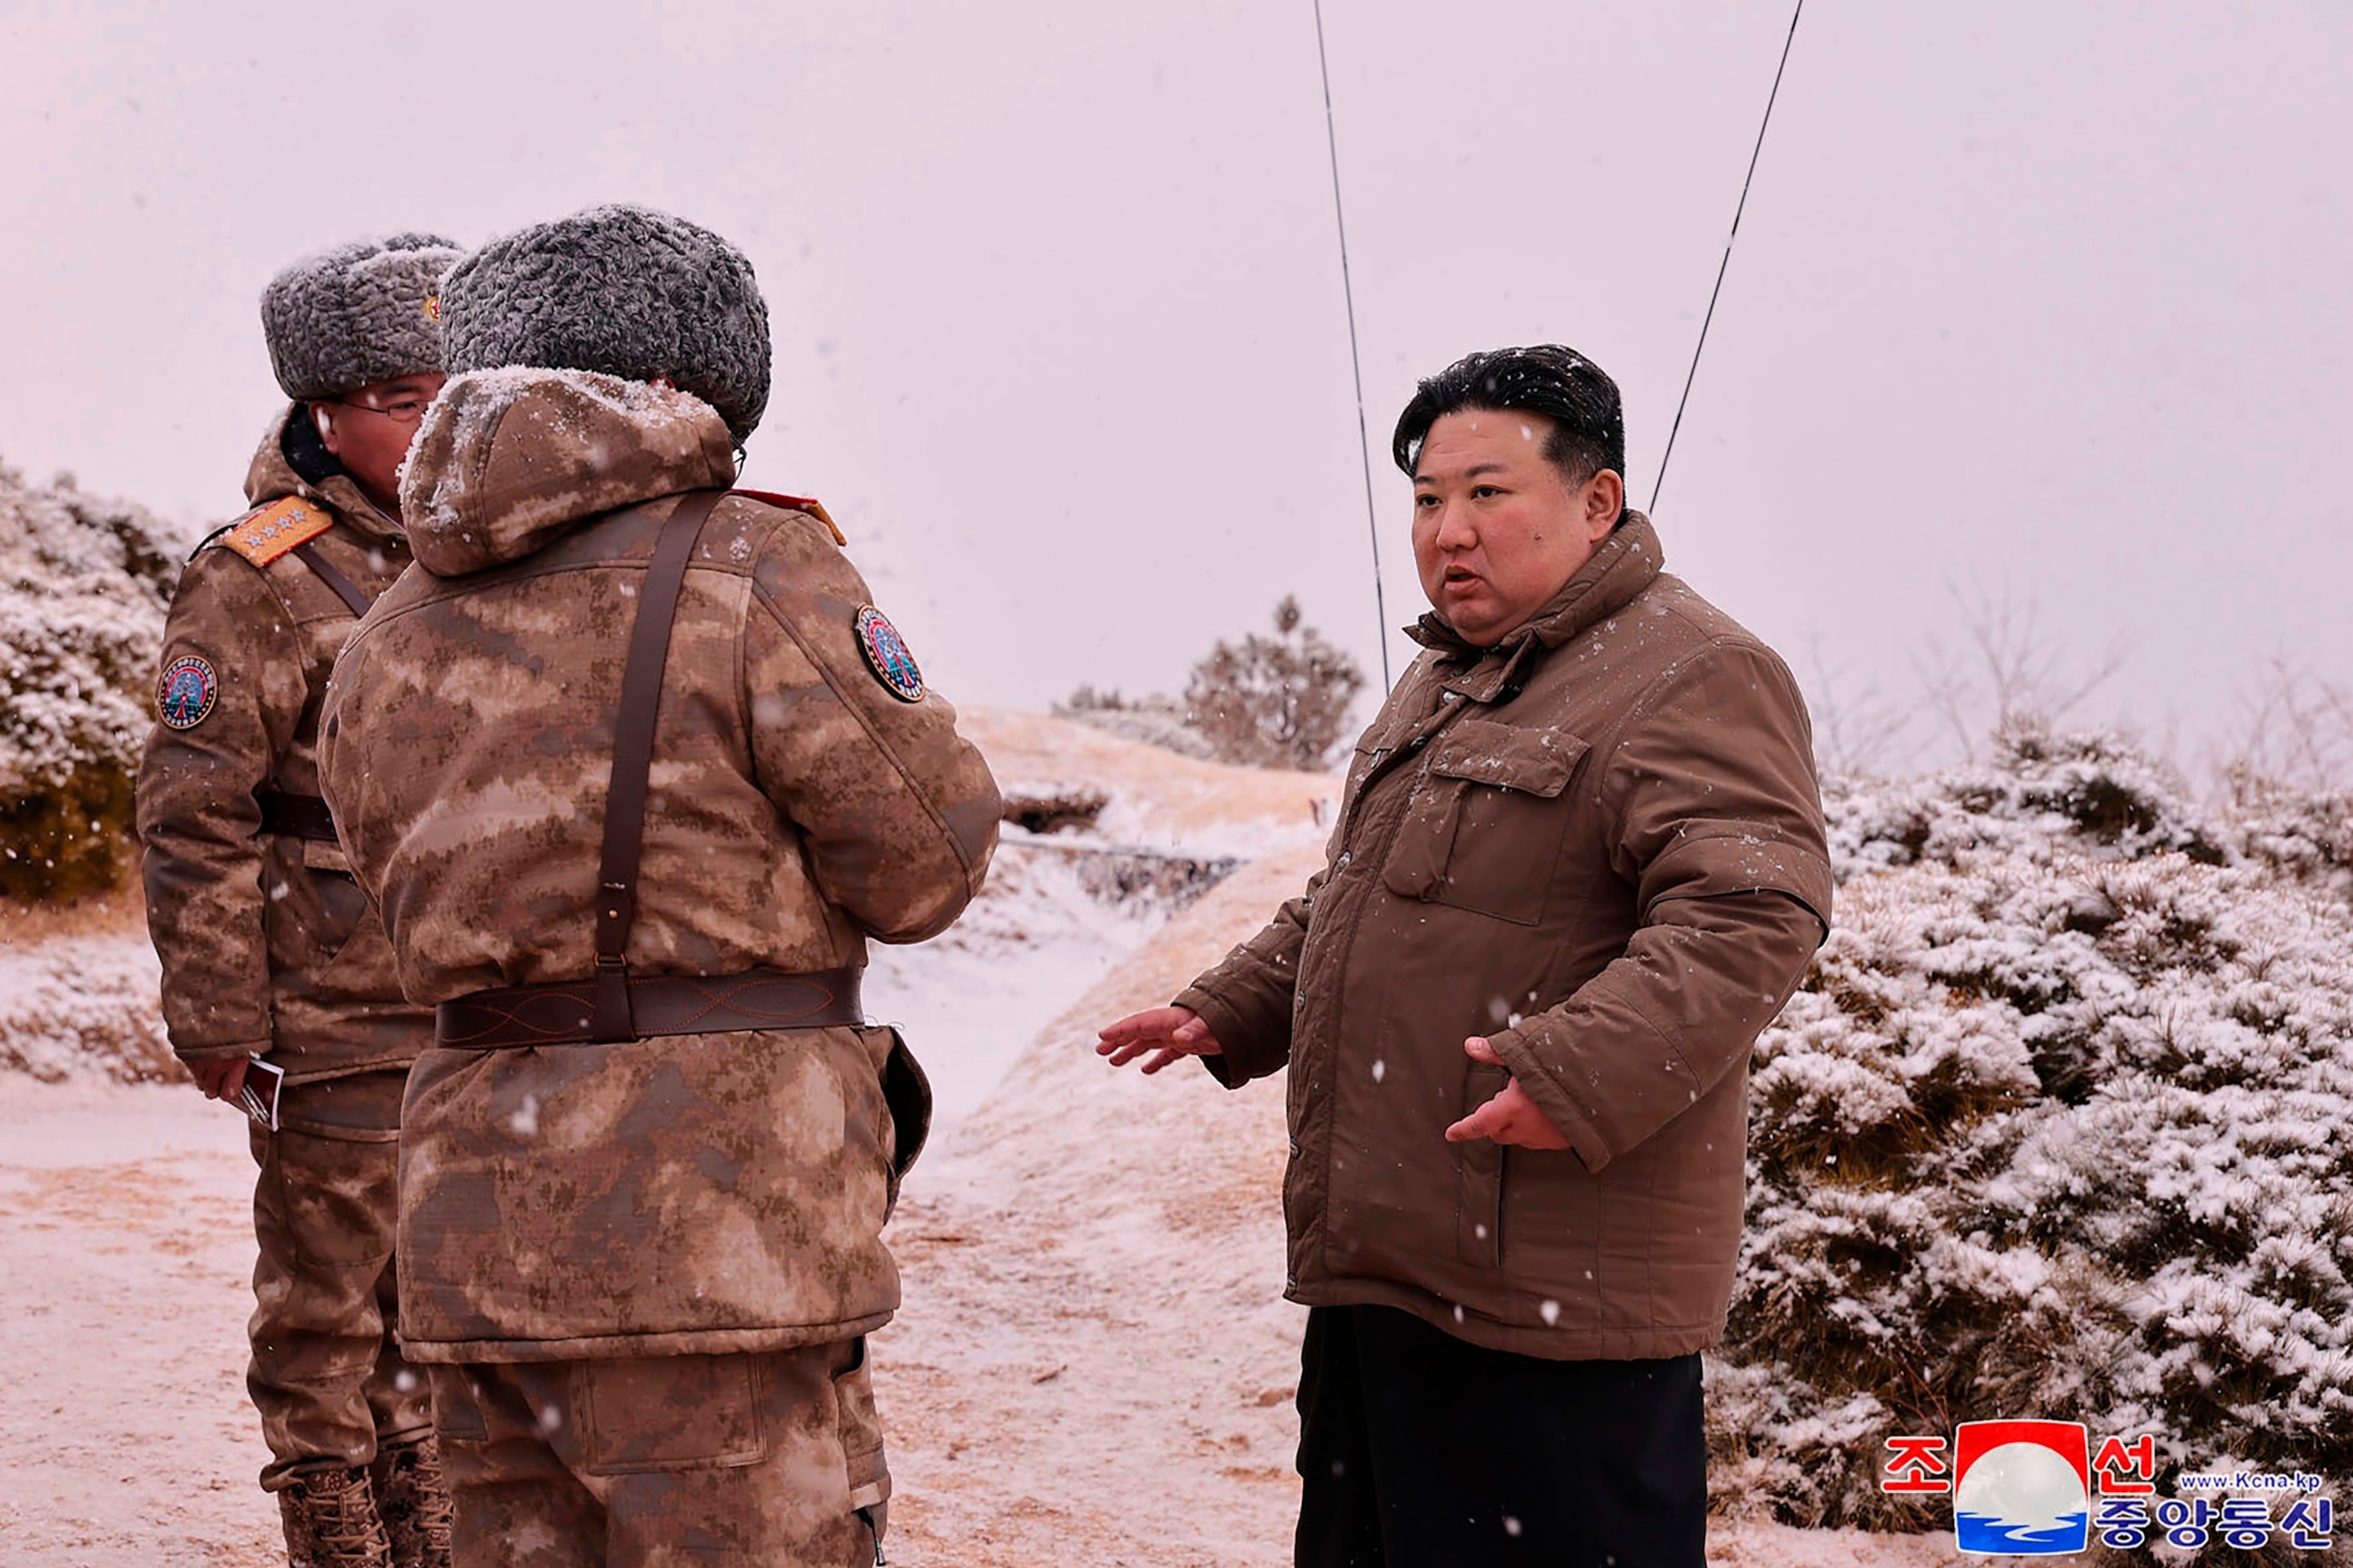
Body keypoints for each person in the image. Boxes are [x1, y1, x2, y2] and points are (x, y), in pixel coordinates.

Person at [316, 202, 1000, 1568]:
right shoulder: (754, 565)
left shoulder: (384, 620)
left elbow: (387, 888)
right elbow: (928, 860)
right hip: (715, 1231)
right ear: (691, 383)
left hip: (472, 1233)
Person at [1098, 345, 1833, 1567]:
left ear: (1596, 503)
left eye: (1490, 493)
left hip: (1553, 1307)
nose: (1450, 531)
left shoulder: (1694, 671)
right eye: (1430, 500)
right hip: (1384, 1276)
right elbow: (1368, 899)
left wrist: (1574, 1073)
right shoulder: (1446, 674)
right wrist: (1233, 1008)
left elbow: (1751, 913)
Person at [137, 233, 463, 1568]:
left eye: (455, 386)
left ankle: (430, 1508)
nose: (433, 421)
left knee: (442, 1293)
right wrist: (218, 1012)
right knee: (330, 1301)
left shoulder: (492, 555)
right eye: (398, 399)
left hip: (479, 1004)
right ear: (322, 413)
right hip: (328, 1007)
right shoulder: (256, 574)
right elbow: (192, 809)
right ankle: (329, 1514)